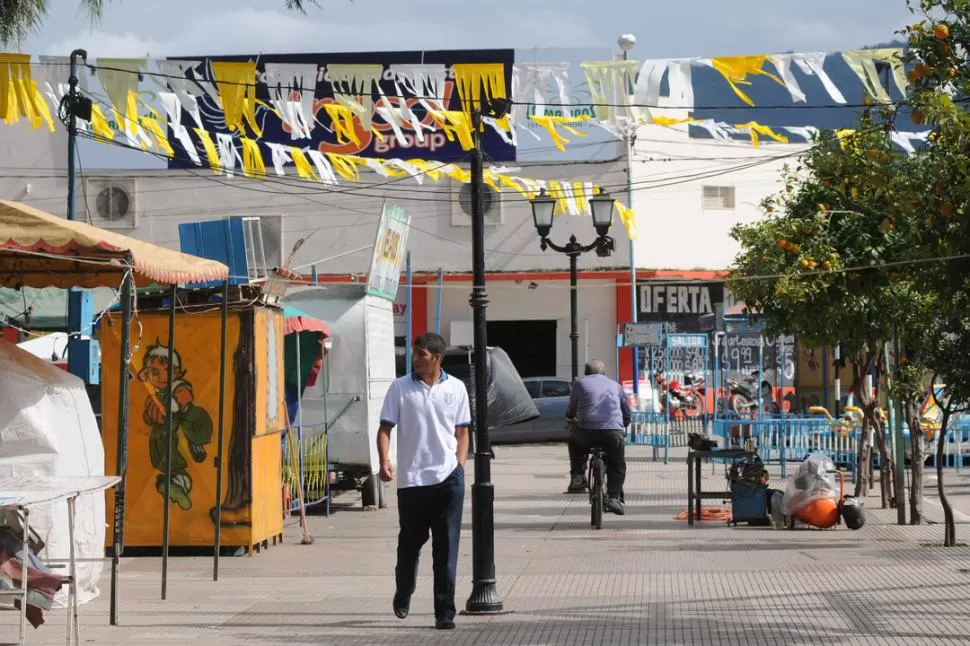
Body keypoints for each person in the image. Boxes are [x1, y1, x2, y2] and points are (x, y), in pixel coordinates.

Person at [377, 332, 470, 630]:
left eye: (422, 355)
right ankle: (404, 591)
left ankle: (444, 612)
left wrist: (460, 466)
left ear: (437, 358)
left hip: (448, 480)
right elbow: (385, 429)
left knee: (446, 548)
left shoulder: (456, 388)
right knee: (410, 544)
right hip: (413, 482)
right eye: (415, 354)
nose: (416, 359)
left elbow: (462, 432)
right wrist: (384, 461)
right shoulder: (400, 388)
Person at [565, 359, 630, 515]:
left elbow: (571, 410)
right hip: (612, 432)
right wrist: (623, 424)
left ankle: (578, 476)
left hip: (586, 430)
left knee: (574, 441)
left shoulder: (579, 384)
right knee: (617, 464)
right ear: (604, 372)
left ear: (586, 372)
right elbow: (627, 412)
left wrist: (570, 417)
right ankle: (614, 498)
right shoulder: (615, 385)